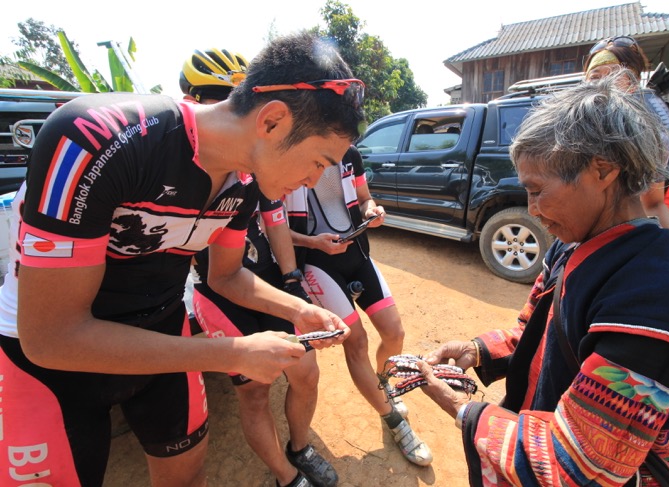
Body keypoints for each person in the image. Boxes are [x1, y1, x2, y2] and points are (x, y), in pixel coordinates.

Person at [0, 31, 365, 486]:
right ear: (272, 122)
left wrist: (300, 309)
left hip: (161, 332)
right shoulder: (97, 137)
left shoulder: (248, 179)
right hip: (50, 362)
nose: (314, 182)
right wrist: (231, 352)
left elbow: (226, 277)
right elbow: (52, 337)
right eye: (318, 161)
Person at [414, 73, 669, 486]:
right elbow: (536, 328)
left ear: (603, 169)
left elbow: (580, 462)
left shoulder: (660, 295)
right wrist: (478, 351)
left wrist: (461, 408)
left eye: (537, 190)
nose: (532, 209)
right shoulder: (571, 242)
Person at [179, 47, 336, 487]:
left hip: (259, 280)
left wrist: (292, 282)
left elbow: (277, 224)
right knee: (255, 393)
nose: (224, 106)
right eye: (212, 95)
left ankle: (300, 446)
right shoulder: (184, 168)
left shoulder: (258, 169)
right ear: (193, 98)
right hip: (218, 294)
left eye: (232, 95)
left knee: (305, 371)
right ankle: (287, 477)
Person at [285, 145, 433, 467]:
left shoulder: (350, 154)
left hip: (358, 252)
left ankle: (383, 386)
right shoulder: (292, 153)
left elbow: (364, 197)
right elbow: (275, 228)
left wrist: (371, 210)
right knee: (357, 341)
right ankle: (395, 422)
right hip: (318, 263)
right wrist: (313, 242)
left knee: (394, 333)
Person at [583, 35, 669, 251]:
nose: (603, 84)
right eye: (595, 76)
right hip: (579, 241)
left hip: (626, 244)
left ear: (632, 84)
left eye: (615, 75)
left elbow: (653, 204)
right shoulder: (563, 130)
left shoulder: (650, 138)